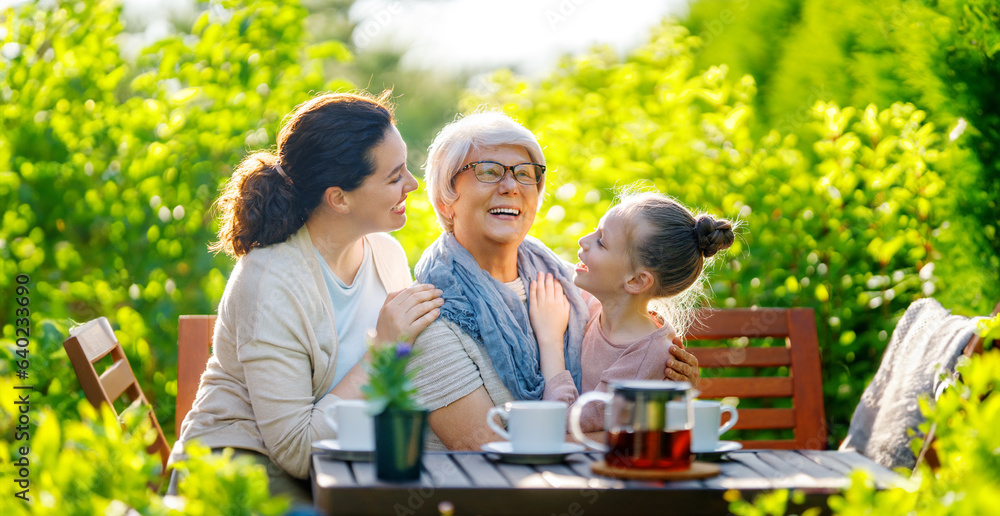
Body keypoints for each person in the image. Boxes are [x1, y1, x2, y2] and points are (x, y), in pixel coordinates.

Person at [170, 92, 443, 500]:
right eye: (394, 176)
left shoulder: (385, 254)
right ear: (339, 198)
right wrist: (384, 349)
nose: (413, 184)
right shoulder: (271, 283)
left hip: (337, 470)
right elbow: (297, 451)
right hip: (237, 476)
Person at [406, 111, 702, 451]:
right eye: (489, 171)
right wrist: (646, 434)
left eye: (525, 174)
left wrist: (676, 387)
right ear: (446, 200)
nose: (511, 186)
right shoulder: (430, 315)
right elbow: (487, 450)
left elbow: (641, 372)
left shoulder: (577, 287)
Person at [529, 190, 735, 432]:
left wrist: (550, 340)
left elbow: (565, 423)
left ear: (636, 281)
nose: (583, 240)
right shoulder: (600, 308)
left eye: (601, 242)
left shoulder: (645, 357)